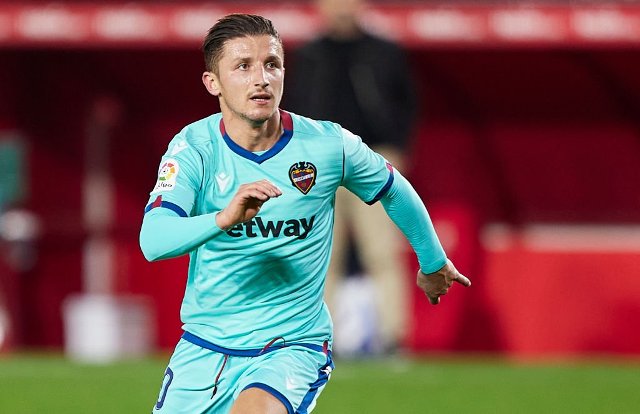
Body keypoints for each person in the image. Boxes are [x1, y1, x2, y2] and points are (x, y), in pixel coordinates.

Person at [140, 14, 470, 414]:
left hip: (290, 347)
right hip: (204, 345)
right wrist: (223, 219)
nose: (261, 78)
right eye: (243, 66)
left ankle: (391, 342)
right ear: (213, 83)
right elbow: (153, 240)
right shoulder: (193, 147)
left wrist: (433, 262)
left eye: (272, 64)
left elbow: (396, 190)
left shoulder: (328, 145)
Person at [287, 0, 417, 353]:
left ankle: (394, 339)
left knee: (382, 251)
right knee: (321, 255)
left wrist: (396, 149)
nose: (341, 7)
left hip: (373, 159)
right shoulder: (309, 54)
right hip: (320, 163)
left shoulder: (385, 51)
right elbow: (293, 109)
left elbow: (406, 105)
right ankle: (318, 340)